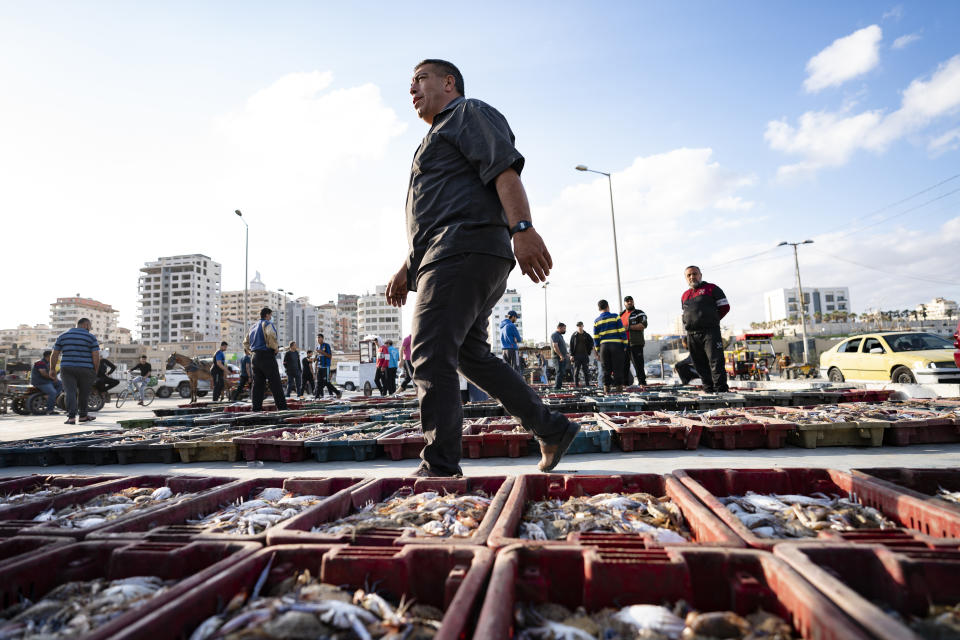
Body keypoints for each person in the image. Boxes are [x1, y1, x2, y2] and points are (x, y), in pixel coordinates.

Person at [384, 58, 579, 476]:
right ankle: (550, 428)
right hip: (451, 250)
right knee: (470, 355)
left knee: (430, 351)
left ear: (448, 82)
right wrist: (407, 267)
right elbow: (435, 211)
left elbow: (503, 169)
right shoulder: (433, 136)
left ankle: (440, 467)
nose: (412, 90)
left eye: (420, 80)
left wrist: (523, 228)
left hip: (463, 248)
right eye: (410, 84)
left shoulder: (467, 113)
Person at [681, 265, 730, 393]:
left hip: (710, 332)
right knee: (699, 364)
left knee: (715, 361)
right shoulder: (685, 295)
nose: (692, 277)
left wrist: (712, 320)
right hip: (692, 334)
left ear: (700, 275)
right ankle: (708, 389)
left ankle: (721, 390)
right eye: (689, 275)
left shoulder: (712, 288)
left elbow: (725, 307)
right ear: (686, 278)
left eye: (695, 274)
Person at [50, 318, 100, 424]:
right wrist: (95, 371)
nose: (90, 328)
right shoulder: (91, 337)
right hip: (86, 369)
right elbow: (96, 356)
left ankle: (71, 417)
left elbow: (54, 354)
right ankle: (82, 416)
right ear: (86, 325)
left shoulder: (63, 336)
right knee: (84, 393)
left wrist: (52, 369)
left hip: (67, 368)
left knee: (70, 392)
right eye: (90, 326)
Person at [242, 307, 288, 411]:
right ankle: (282, 408)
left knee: (258, 385)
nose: (271, 317)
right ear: (267, 315)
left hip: (255, 357)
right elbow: (271, 335)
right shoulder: (267, 324)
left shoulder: (252, 327)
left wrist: (251, 351)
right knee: (275, 383)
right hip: (267, 356)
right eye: (270, 315)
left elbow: (245, 342)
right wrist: (275, 348)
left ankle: (256, 409)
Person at [594, 299, 627, 393]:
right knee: (618, 369)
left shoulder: (597, 321)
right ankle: (619, 392)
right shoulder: (615, 317)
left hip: (604, 346)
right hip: (616, 345)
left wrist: (598, 349)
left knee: (606, 370)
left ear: (599, 309)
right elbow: (621, 331)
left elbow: (596, 337)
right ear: (608, 306)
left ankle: (606, 392)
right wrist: (625, 344)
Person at [621, 295, 648, 386]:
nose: (629, 302)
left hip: (635, 343)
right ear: (624, 303)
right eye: (627, 301)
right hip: (624, 345)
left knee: (638, 365)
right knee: (624, 366)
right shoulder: (621, 315)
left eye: (631, 300)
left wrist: (628, 327)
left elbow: (643, 325)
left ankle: (642, 384)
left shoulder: (639, 313)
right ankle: (624, 385)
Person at [31, 350, 62, 415]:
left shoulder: (49, 363)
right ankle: (50, 410)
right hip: (41, 382)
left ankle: (49, 397)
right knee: (52, 392)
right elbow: (43, 374)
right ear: (49, 356)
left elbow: (53, 372)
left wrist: (55, 378)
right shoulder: (40, 362)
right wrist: (53, 378)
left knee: (60, 384)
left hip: (47, 381)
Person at [313, 333, 341, 398]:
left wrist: (321, 352)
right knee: (319, 383)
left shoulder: (326, 346)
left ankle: (337, 392)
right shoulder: (317, 347)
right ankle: (317, 397)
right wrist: (315, 359)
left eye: (319, 337)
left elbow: (330, 356)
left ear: (322, 338)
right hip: (319, 367)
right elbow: (318, 357)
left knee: (327, 382)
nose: (318, 339)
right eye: (317, 338)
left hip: (326, 367)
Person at [568, 321, 595, 387]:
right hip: (576, 356)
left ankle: (587, 385)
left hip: (585, 355)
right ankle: (576, 385)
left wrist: (590, 348)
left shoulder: (586, 335)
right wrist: (571, 355)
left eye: (580, 325)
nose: (579, 327)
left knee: (586, 371)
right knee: (576, 371)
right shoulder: (574, 335)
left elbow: (592, 342)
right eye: (578, 326)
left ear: (583, 326)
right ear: (577, 327)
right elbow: (571, 346)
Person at [550, 322, 569, 390]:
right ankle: (557, 387)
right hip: (557, 357)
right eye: (564, 328)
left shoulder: (560, 335)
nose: (565, 330)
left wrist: (566, 354)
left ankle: (559, 386)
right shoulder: (555, 335)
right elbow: (555, 346)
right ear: (559, 328)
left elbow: (561, 346)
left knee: (561, 373)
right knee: (559, 372)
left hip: (562, 357)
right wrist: (560, 355)